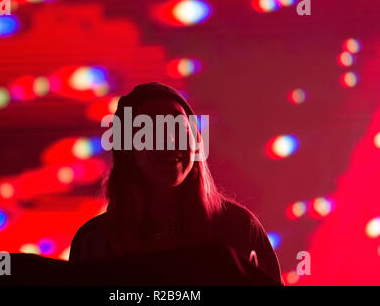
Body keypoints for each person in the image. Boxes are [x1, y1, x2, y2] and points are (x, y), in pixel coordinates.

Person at [69, 82, 282, 284]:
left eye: (179, 127)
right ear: (126, 151)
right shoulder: (94, 243)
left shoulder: (240, 228)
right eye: (151, 130)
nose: (169, 140)